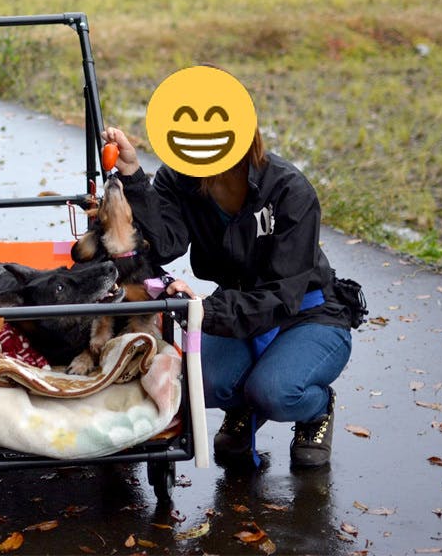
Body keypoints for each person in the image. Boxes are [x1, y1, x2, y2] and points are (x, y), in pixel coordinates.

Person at [102, 124, 354, 469]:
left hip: (307, 311)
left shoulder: (288, 188)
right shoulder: (179, 179)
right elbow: (163, 245)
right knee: (197, 384)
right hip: (239, 304)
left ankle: (316, 409)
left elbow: (284, 295)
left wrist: (209, 310)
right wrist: (132, 175)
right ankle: (243, 406)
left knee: (274, 391)